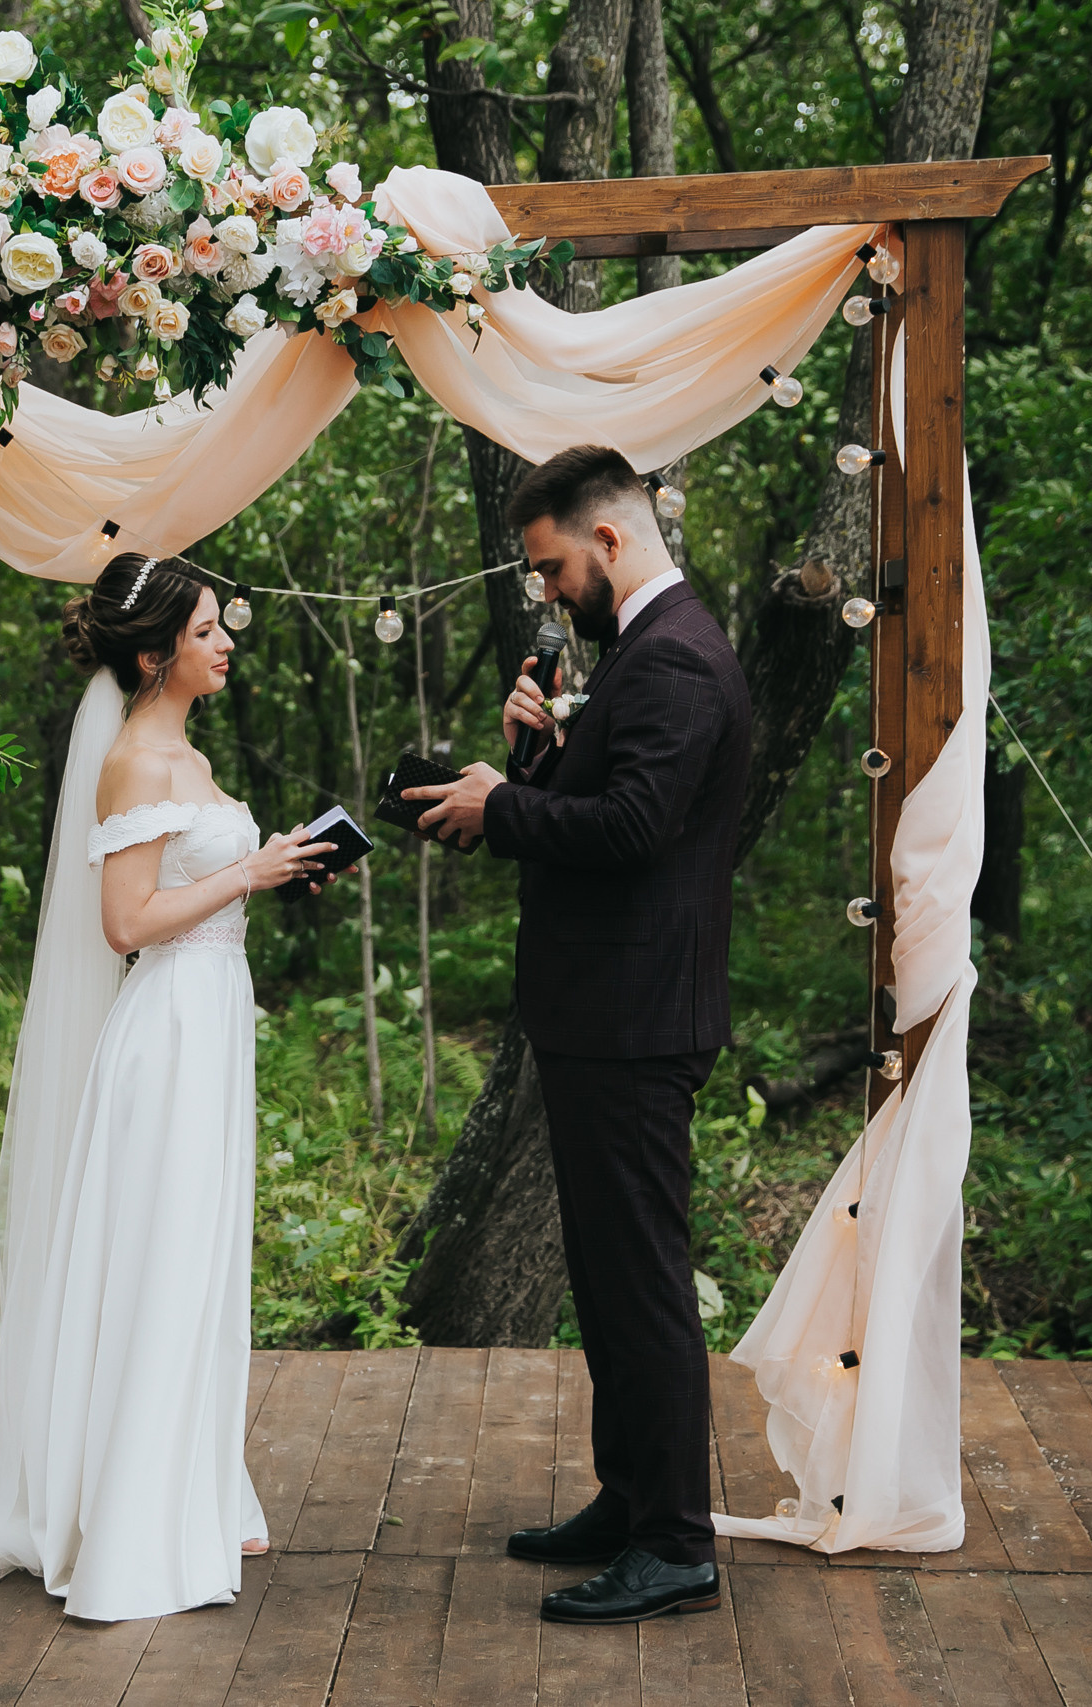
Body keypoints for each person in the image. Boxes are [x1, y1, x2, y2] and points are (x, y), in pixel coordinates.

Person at [0, 553, 337, 1622]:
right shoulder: (135, 760)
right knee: (160, 1254)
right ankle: (131, 1522)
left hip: (211, 1018)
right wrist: (247, 872)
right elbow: (124, 924)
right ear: (156, 652)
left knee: (198, 1255)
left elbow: (192, 883)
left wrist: (267, 861)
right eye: (208, 629)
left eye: (222, 626)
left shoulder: (191, 753)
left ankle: (192, 1486)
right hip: (167, 1028)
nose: (227, 642)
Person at [403, 445, 752, 1626]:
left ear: (608, 537)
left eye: (552, 567)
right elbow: (600, 808)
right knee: (605, 1280)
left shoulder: (677, 659)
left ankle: (675, 1543)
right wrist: (532, 762)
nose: (547, 591)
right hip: (604, 1013)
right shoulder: (639, 656)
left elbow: (635, 831)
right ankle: (631, 1498)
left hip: (636, 1020)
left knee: (640, 1283)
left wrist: (499, 805)